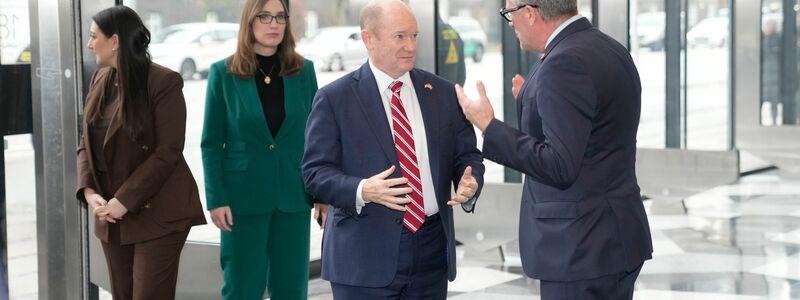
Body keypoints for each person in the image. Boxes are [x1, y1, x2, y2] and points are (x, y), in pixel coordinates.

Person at [455, 1, 653, 299]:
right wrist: (535, 99)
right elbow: (596, 129)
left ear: (531, 13)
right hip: (614, 236)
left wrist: (488, 125)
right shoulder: (609, 48)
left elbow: (560, 165)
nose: (510, 23)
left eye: (510, 14)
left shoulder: (564, 62)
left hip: (581, 246)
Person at [302, 0, 484, 298]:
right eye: (399, 36)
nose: (410, 46)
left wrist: (470, 178)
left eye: (414, 36)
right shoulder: (335, 99)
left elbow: (467, 155)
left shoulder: (441, 92)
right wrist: (362, 189)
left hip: (431, 252)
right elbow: (314, 173)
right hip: (363, 256)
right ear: (368, 39)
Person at [76, 5, 205, 299]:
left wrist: (125, 199)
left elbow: (168, 152)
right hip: (111, 213)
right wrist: (89, 191)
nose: (89, 43)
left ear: (116, 41)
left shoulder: (164, 82)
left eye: (94, 36)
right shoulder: (100, 79)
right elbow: (85, 143)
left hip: (157, 212)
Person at [201, 0, 324, 298]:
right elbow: (211, 144)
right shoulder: (223, 73)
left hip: (293, 195)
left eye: (280, 17)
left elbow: (318, 139)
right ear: (250, 21)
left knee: (292, 288)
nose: (274, 24)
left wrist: (322, 194)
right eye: (265, 16)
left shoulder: (303, 71)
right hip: (242, 199)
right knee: (242, 287)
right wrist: (216, 200)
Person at [761, 18, 783, 126]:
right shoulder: (762, 41)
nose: (767, 28)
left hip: (774, 78)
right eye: (766, 25)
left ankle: (774, 122)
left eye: (769, 25)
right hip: (764, 77)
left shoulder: (779, 41)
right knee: (760, 100)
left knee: (774, 103)